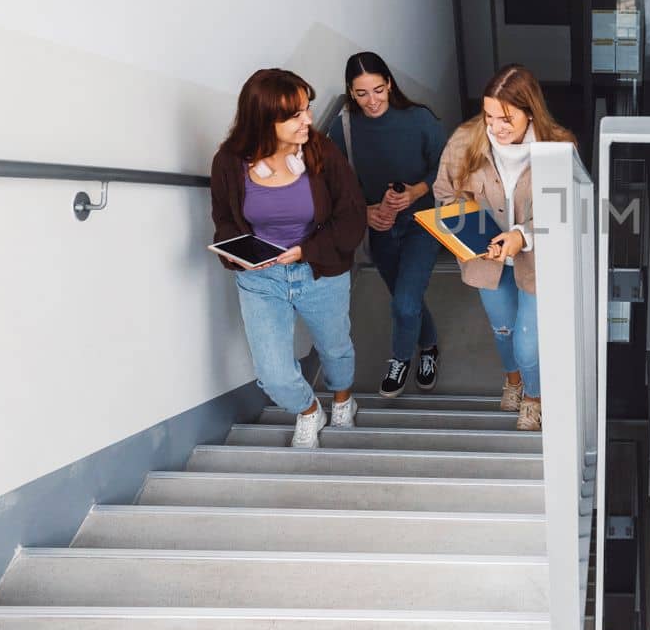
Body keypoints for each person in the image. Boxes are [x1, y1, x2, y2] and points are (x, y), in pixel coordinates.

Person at [211, 68, 365, 448]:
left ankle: (344, 400)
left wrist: (306, 250)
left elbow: (352, 214)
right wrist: (240, 254)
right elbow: (226, 221)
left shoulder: (321, 152)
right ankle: (310, 410)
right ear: (265, 120)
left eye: (307, 109)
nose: (308, 120)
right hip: (261, 280)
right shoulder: (230, 162)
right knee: (273, 373)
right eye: (295, 114)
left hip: (319, 270)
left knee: (335, 348)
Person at [432, 64, 574, 432]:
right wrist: (471, 234)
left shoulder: (559, 146)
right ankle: (512, 382)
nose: (495, 127)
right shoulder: (466, 140)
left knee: (529, 344)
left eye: (506, 118)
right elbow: (446, 194)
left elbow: (565, 212)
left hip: (537, 262)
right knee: (503, 331)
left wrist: (520, 237)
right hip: (485, 260)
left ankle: (534, 396)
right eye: (489, 115)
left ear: (530, 111)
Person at [326, 52, 445, 398]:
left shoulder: (419, 119)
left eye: (378, 90)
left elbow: (447, 167)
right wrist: (365, 212)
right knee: (405, 299)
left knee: (406, 303)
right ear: (350, 91)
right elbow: (333, 184)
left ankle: (400, 359)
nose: (372, 101)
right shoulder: (343, 127)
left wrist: (416, 191)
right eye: (362, 93)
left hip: (423, 222)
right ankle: (430, 346)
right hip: (380, 228)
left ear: (389, 84)